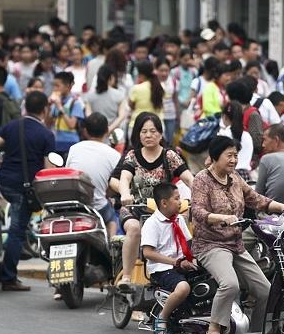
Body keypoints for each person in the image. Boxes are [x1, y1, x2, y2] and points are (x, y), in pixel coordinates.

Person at [191, 135, 284, 333]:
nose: (234, 160)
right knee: (230, 285)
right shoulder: (202, 179)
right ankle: (214, 328)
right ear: (215, 156)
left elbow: (257, 199)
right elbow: (197, 212)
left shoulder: (235, 179)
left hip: (236, 244)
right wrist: (220, 218)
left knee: (265, 291)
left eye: (236, 155)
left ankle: (255, 330)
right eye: (229, 155)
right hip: (210, 244)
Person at [0, 91, 56, 291]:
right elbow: (48, 169)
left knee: (15, 225)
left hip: (5, 182)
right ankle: (8, 277)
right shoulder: (46, 135)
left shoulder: (11, 126)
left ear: (25, 108)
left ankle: (0, 265)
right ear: (44, 110)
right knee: (17, 231)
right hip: (25, 188)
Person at [117, 112, 194, 290]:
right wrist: (124, 194)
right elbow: (124, 178)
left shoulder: (170, 156)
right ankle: (127, 277)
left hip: (162, 212)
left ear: (160, 133)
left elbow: (190, 179)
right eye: (144, 131)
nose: (148, 135)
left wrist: (201, 194)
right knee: (134, 229)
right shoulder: (132, 156)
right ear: (138, 134)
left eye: (153, 131)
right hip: (135, 208)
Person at [141, 182, 196, 333]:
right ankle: (162, 316)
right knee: (183, 288)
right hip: (162, 268)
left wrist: (195, 260)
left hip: (181, 264)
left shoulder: (178, 220)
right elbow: (148, 253)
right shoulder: (152, 224)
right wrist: (176, 262)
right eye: (177, 198)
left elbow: (189, 243)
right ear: (164, 203)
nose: (181, 202)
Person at [66, 112, 121, 238]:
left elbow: (69, 172)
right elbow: (114, 184)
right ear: (107, 131)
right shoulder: (114, 155)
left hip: (74, 205)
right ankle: (111, 249)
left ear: (85, 131)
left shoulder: (74, 148)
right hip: (98, 207)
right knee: (112, 219)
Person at [48, 71, 85, 157]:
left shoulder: (75, 102)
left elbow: (71, 124)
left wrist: (60, 107)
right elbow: (48, 124)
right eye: (54, 85)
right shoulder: (56, 101)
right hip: (56, 142)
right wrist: (48, 107)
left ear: (67, 86)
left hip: (70, 143)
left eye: (57, 85)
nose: (55, 88)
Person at [83, 65, 127, 134]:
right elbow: (121, 116)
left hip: (95, 134)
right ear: (111, 77)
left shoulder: (90, 96)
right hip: (114, 135)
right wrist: (109, 129)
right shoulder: (119, 95)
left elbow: (89, 115)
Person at [218, 101, 254, 180]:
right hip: (245, 176)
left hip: (227, 177)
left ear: (225, 117)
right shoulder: (247, 136)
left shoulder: (222, 134)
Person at [129, 60, 164, 127]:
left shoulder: (136, 88)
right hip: (157, 126)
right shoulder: (160, 87)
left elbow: (131, 105)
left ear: (140, 74)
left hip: (138, 125)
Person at [155, 57, 178, 145]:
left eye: (166, 70)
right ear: (156, 70)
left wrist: (177, 115)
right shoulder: (154, 82)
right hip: (158, 113)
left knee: (170, 139)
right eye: (161, 70)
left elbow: (175, 98)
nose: (164, 73)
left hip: (171, 113)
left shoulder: (173, 81)